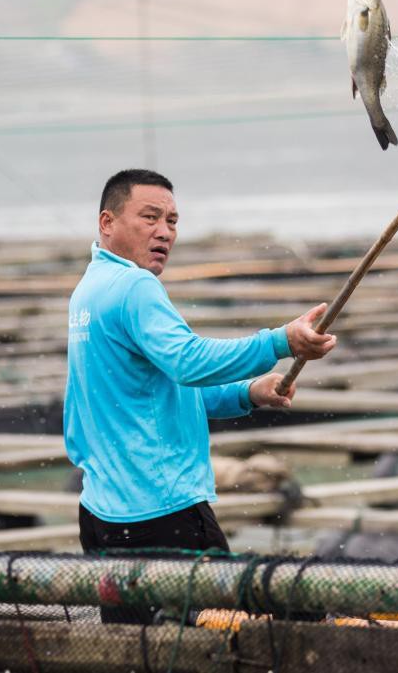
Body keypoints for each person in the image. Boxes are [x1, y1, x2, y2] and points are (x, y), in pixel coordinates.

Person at [64, 168, 336, 573]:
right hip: (161, 511)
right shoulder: (134, 287)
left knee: (132, 619)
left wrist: (247, 393)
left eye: (172, 221)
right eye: (150, 217)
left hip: (102, 515)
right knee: (218, 611)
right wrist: (279, 342)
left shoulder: (88, 289)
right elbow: (187, 362)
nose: (164, 232)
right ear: (107, 222)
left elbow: (154, 392)